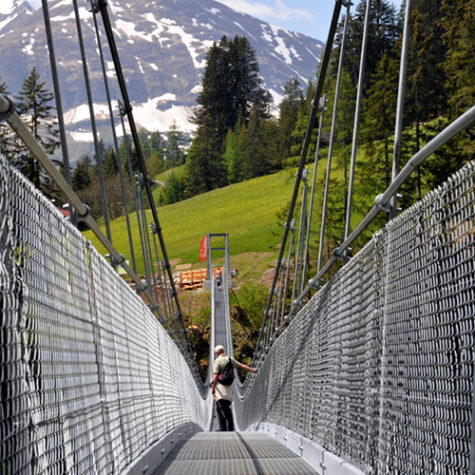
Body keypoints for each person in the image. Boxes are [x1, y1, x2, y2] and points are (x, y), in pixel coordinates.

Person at [211, 344, 257, 431]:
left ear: (216, 353)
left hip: (220, 387)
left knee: (220, 407)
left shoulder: (217, 361)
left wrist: (213, 387)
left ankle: (224, 427)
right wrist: (252, 370)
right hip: (229, 387)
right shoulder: (229, 359)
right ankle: (229, 427)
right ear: (223, 351)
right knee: (226, 407)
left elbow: (215, 376)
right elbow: (241, 366)